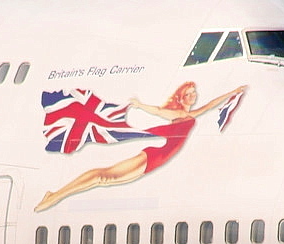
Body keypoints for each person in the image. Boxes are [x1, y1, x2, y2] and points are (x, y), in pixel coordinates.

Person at [34, 82, 246, 212]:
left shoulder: (189, 114)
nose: (194, 95)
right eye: (190, 93)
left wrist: (233, 92)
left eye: (194, 92)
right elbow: (156, 112)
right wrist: (139, 105)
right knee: (103, 176)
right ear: (182, 97)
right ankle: (54, 195)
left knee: (106, 180)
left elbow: (210, 105)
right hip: (153, 156)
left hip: (157, 161)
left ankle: (55, 195)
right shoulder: (176, 114)